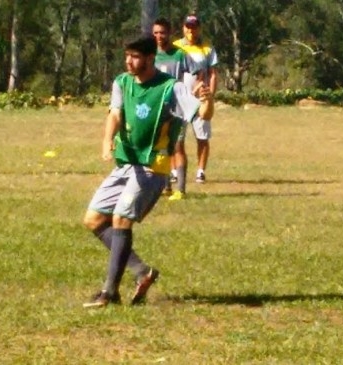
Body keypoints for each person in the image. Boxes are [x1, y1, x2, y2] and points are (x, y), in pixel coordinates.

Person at [82, 36, 214, 308]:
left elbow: (203, 114)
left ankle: (109, 292)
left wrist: (207, 99)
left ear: (150, 58)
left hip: (153, 167)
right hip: (126, 164)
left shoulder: (170, 88)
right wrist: (107, 140)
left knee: (120, 219)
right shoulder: (122, 82)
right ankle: (142, 272)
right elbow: (115, 114)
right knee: (93, 219)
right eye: (127, 56)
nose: (129, 61)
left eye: (136, 57)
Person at [172, 13, 218, 196]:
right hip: (180, 100)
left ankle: (200, 171)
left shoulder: (207, 48)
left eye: (194, 27)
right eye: (188, 27)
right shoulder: (176, 47)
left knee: (202, 136)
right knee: (177, 139)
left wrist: (210, 96)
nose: (191, 30)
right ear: (183, 28)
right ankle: (175, 170)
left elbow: (213, 73)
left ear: (199, 28)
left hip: (201, 100)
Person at [152, 17, 195, 196]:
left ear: (169, 33)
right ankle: (166, 186)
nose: (159, 36)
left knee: (177, 146)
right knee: (161, 147)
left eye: (162, 32)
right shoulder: (150, 54)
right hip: (156, 106)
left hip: (176, 106)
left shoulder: (179, 54)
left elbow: (198, 73)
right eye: (156, 33)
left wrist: (195, 92)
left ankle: (181, 190)